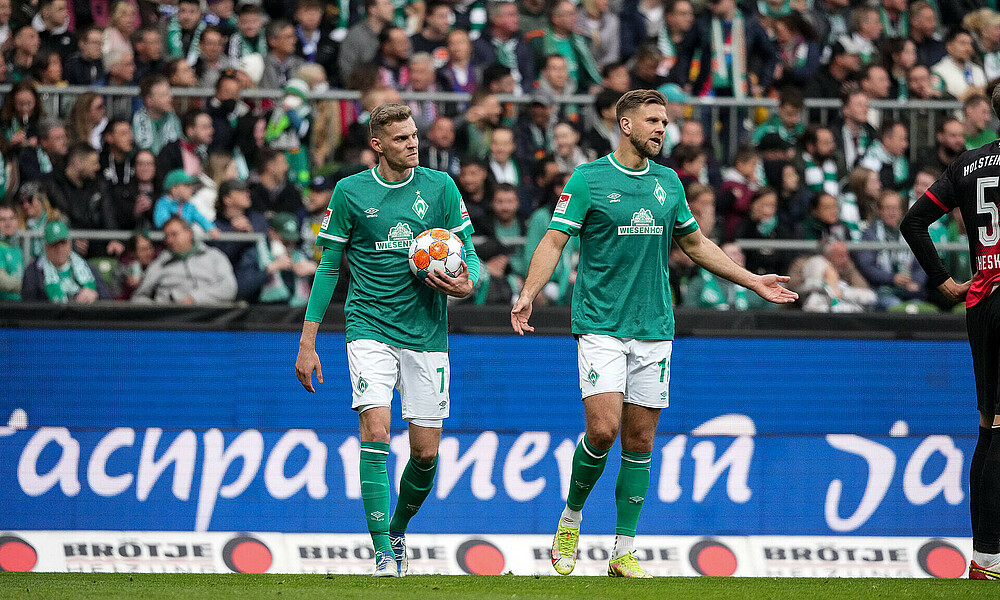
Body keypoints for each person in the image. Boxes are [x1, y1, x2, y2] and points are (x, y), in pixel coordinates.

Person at [509, 89, 797, 578]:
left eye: (664, 121)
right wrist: (529, 292)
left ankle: (623, 550)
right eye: (653, 121)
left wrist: (752, 280)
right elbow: (554, 241)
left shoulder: (669, 182)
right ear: (626, 125)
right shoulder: (588, 179)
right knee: (602, 430)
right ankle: (571, 517)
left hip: (655, 327)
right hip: (601, 324)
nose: (662, 128)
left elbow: (696, 244)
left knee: (640, 441)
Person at [294, 102, 481, 577]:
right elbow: (329, 267)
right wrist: (308, 340)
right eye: (401, 139)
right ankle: (381, 552)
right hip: (369, 328)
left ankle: (397, 529)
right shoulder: (350, 192)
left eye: (414, 135)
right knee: (375, 432)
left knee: (425, 454)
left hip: (427, 333)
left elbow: (469, 254)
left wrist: (469, 283)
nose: (413, 143)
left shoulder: (441, 186)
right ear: (377, 145)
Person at [900, 84, 1000, 580]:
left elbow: (913, 222)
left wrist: (942, 281)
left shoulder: (969, 163)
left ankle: (985, 558)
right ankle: (990, 558)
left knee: (989, 426)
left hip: (982, 301)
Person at [132, 215, 237, 304]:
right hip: (171, 316)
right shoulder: (160, 263)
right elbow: (139, 297)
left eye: (174, 234)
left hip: (211, 313)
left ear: (189, 233)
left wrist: (194, 298)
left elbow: (229, 288)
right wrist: (158, 308)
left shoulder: (214, 256)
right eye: (167, 236)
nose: (170, 240)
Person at [21, 220, 110, 302]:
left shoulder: (87, 267)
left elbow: (107, 298)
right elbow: (29, 305)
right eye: (54, 245)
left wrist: (95, 295)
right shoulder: (33, 272)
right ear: (46, 247)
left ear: (69, 244)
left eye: (63, 243)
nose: (60, 249)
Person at [153, 168, 220, 239]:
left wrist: (210, 228)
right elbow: (161, 222)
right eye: (187, 185)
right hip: (169, 241)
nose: (191, 189)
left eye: (191, 186)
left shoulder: (189, 206)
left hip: (185, 240)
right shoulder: (163, 204)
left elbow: (201, 218)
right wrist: (178, 229)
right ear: (174, 188)